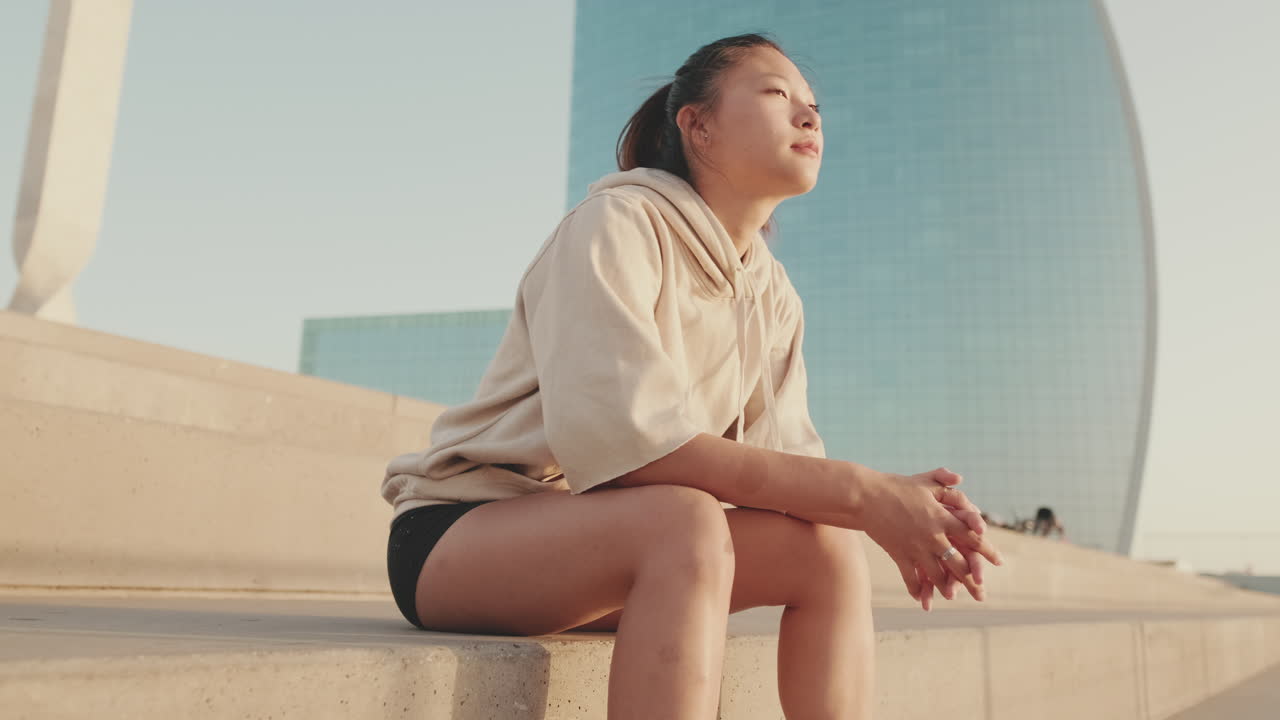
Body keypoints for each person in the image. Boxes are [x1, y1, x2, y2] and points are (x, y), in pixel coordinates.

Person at [382, 33, 1004, 720]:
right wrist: (863, 491)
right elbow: (628, 450)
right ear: (698, 125)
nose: (809, 116)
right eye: (776, 94)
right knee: (684, 519)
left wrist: (910, 514)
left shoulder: (774, 294)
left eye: (813, 105)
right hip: (461, 539)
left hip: (615, 556)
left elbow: (787, 476)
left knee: (826, 549)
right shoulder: (615, 223)